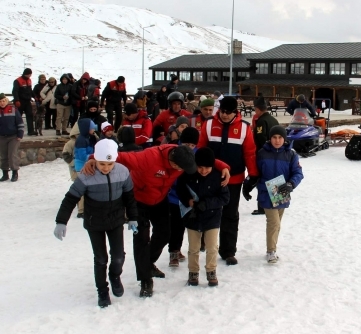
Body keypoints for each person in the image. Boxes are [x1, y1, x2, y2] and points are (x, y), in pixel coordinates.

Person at [81, 145, 230, 297]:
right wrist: (93, 158)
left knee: (165, 234)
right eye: (178, 168)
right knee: (142, 239)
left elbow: (204, 157)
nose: (179, 171)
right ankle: (145, 280)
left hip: (160, 199)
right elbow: (119, 156)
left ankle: (147, 263)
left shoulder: (184, 155)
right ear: (172, 161)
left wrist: (223, 166)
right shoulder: (148, 157)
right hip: (138, 200)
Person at [53, 139, 138, 308]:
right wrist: (61, 221)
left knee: (119, 256)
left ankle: (115, 275)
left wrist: (133, 217)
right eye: (101, 164)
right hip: (95, 222)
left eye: (109, 164)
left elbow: (129, 196)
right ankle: (102, 291)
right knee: (100, 259)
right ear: (95, 160)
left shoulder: (122, 172)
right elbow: (71, 198)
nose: (105, 168)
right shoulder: (86, 175)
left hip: (115, 220)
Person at [197, 96, 258, 265]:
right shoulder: (208, 125)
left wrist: (253, 175)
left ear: (235, 112)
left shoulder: (245, 128)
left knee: (230, 215)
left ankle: (228, 250)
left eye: (228, 113)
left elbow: (250, 153)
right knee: (207, 210)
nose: (224, 115)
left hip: (235, 179)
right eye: (222, 111)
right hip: (210, 177)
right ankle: (204, 243)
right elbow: (201, 150)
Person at [244, 125, 303, 263]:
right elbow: (254, 172)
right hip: (266, 190)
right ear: (270, 139)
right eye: (274, 137)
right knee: (273, 222)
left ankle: (272, 248)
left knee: (277, 224)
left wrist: (291, 184)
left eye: (280, 137)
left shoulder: (291, 154)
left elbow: (298, 173)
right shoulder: (262, 153)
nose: (277, 140)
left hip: (282, 188)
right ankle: (271, 251)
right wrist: (248, 185)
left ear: (284, 139)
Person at [177, 147, 229, 286]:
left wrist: (207, 204)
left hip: (212, 217)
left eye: (207, 167)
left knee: (212, 247)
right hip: (193, 217)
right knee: (193, 248)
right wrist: (188, 200)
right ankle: (193, 271)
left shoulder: (219, 176)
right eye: (200, 167)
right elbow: (180, 189)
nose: (204, 171)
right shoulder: (188, 175)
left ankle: (211, 270)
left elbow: (225, 198)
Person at [167, 126, 200, 267]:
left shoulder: (197, 154)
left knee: (193, 224)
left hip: (191, 196)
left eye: (193, 145)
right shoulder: (174, 152)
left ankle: (195, 248)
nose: (190, 148)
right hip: (174, 196)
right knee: (176, 226)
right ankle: (174, 251)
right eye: (187, 145)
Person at [250, 95, 279, 215]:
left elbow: (260, 139)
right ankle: (278, 203)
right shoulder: (274, 120)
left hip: (265, 156)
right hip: (277, 155)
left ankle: (262, 207)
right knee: (276, 178)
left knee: (262, 181)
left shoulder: (261, 121)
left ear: (258, 109)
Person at [62, 121, 85, 217]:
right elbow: (66, 155)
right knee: (80, 188)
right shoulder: (70, 143)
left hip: (85, 168)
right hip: (75, 170)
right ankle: (81, 210)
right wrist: (73, 164)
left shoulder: (86, 141)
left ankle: (83, 206)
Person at [0, 93, 24, 182]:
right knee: (3, 156)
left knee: (12, 155)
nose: (2, 103)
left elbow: (20, 122)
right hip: (2, 137)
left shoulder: (13, 109)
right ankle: (5, 173)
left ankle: (15, 173)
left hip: (13, 136)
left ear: (6, 101)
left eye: (3, 101)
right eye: (0, 102)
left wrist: (20, 134)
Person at [12, 68, 36, 136]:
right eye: (28, 74)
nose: (29, 76)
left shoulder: (29, 80)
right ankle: (15, 131)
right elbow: (15, 91)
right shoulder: (17, 81)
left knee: (30, 115)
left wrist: (34, 96)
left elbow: (30, 90)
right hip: (20, 101)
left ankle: (31, 131)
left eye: (30, 74)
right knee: (18, 116)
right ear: (25, 73)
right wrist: (16, 100)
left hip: (27, 101)